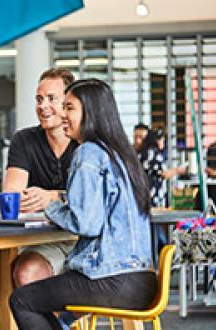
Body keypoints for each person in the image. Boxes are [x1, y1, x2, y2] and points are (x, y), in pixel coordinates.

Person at [9, 79, 157, 329]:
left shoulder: (88, 152)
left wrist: (49, 205)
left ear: (90, 113)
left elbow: (86, 223)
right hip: (143, 280)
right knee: (59, 312)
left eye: (70, 108)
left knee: (23, 300)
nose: (62, 115)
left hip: (110, 278)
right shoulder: (121, 154)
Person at [3, 68, 78, 287]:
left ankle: (58, 321)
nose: (43, 106)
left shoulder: (87, 143)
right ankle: (51, 323)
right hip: (44, 241)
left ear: (69, 102)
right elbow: (12, 194)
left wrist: (53, 197)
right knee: (25, 272)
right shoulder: (24, 140)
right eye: (39, 99)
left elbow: (96, 200)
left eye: (51, 99)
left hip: (85, 241)